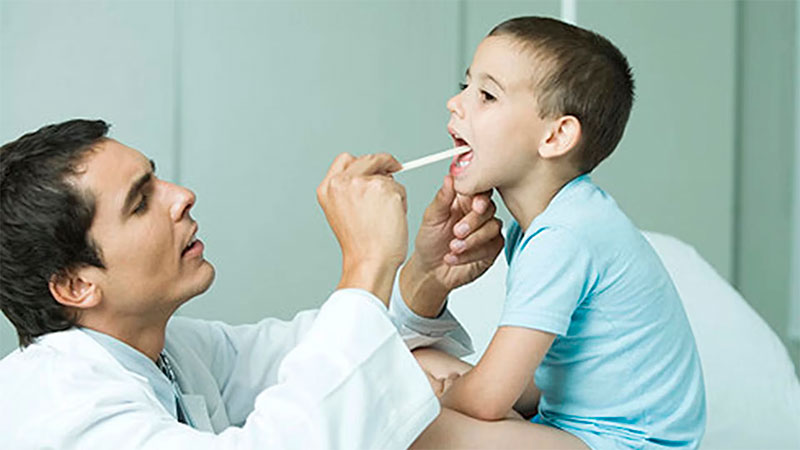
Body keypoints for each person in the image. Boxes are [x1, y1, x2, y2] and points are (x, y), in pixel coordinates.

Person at [0, 119, 506, 448]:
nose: (182, 196)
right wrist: (368, 259)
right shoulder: (62, 412)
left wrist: (423, 278)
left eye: (156, 178)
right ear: (75, 285)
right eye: (140, 202)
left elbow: (302, 355)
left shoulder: (163, 349)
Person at [414, 16, 706, 449]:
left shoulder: (565, 236)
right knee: (415, 362)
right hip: (570, 428)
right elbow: (545, 380)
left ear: (555, 136)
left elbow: (489, 400)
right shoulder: (543, 226)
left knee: (409, 425)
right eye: (466, 85)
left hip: (627, 444)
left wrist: (439, 401)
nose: (455, 103)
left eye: (487, 95)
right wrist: (445, 389)